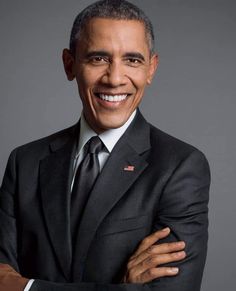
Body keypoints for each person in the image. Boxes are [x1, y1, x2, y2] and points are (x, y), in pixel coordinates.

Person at [0, 0, 210, 291]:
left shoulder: (181, 167)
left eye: (133, 60)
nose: (114, 78)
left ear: (151, 68)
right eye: (99, 58)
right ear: (69, 64)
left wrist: (27, 287)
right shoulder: (24, 162)